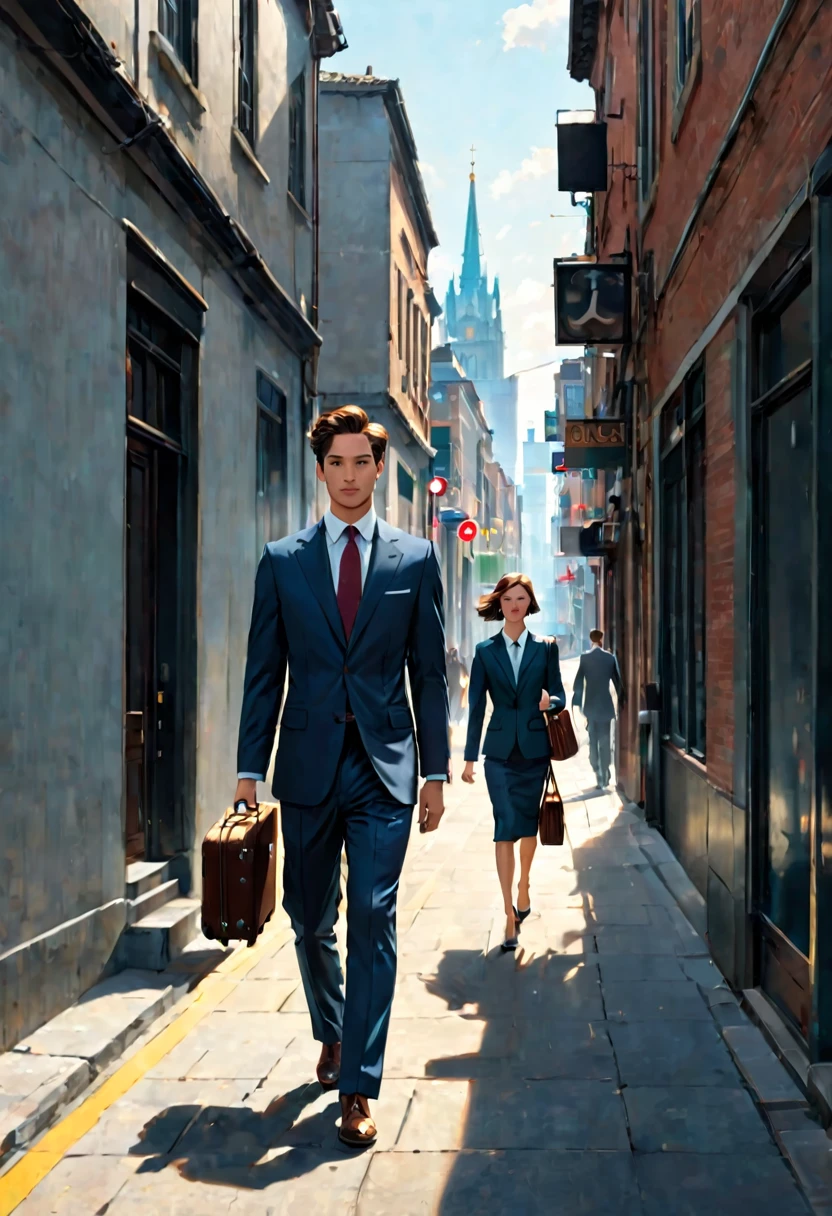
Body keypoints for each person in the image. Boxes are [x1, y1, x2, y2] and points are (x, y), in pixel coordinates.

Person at [234, 406, 450, 1148]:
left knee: (374, 917)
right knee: (307, 914)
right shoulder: (284, 561)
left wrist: (438, 771)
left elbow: (429, 675)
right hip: (306, 769)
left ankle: (358, 1084)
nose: (351, 476)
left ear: (379, 468)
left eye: (363, 463)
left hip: (386, 769)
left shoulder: (415, 559)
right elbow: (264, 674)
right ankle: (331, 1026)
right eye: (338, 464)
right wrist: (246, 770)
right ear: (321, 469)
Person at [461, 574, 565, 951]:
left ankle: (524, 884)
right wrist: (470, 757)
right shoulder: (485, 652)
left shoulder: (546, 647)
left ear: (530, 603)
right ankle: (508, 912)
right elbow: (475, 708)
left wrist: (548, 703)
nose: (515, 605)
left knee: (526, 827)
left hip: (535, 752)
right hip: (499, 754)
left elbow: (560, 696)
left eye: (521, 598)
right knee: (504, 824)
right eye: (508, 599)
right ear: (499, 605)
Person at [572, 628, 623, 789]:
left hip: (591, 706)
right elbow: (617, 682)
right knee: (605, 740)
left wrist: (578, 702)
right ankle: (606, 770)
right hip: (606, 706)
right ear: (602, 639)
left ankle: (597, 771)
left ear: (590, 639)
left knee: (593, 740)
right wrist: (621, 701)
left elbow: (578, 682)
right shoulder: (609, 658)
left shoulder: (585, 658)